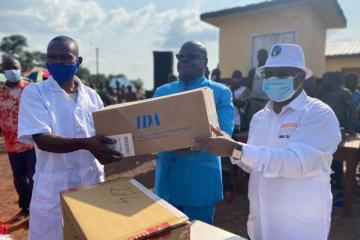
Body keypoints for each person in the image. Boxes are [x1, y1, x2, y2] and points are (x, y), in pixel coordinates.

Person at [193, 44, 341, 239]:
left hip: (299, 230)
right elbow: (254, 164)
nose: (273, 79)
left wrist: (235, 149)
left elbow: (294, 163)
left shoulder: (318, 114)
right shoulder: (260, 118)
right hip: (261, 227)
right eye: (269, 74)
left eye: (281, 74)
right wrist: (232, 149)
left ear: (300, 76)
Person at [17, 36, 122, 240]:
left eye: (64, 57)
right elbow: (43, 140)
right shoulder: (35, 93)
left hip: (90, 184)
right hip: (54, 191)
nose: (57, 63)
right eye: (51, 58)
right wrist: (86, 143)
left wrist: (111, 149)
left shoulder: (92, 97)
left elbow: (104, 135)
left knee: (89, 234)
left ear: (78, 61)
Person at [153, 41, 234, 224]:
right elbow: (152, 130)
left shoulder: (220, 93)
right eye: (181, 56)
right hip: (167, 180)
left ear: (205, 61)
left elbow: (224, 135)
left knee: (198, 233)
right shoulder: (162, 92)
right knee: (168, 234)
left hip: (199, 181)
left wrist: (188, 147)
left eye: (192, 56)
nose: (184, 60)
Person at [0, 57, 36, 219]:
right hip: (11, 144)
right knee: (18, 178)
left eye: (14, 67)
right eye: (7, 67)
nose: (11, 70)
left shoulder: (30, 90)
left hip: (31, 143)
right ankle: (25, 207)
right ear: (3, 70)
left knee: (34, 176)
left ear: (20, 68)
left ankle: (36, 207)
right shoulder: (0, 93)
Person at [248, 49, 269, 117]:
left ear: (267, 57)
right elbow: (249, 86)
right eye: (260, 55)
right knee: (254, 119)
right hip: (254, 101)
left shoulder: (270, 71)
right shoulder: (253, 71)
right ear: (257, 57)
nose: (262, 57)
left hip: (267, 101)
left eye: (264, 55)